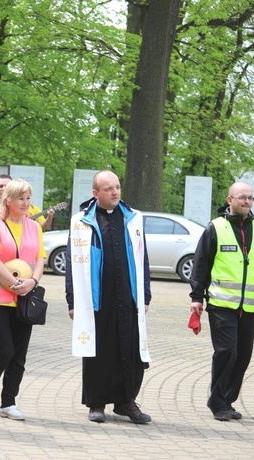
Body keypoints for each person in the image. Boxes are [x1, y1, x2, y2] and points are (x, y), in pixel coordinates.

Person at [189, 181, 254, 421]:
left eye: (250, 198)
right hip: (221, 305)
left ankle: (226, 401)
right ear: (229, 200)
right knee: (227, 352)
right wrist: (196, 297)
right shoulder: (215, 228)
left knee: (242, 356)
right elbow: (201, 266)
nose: (247, 202)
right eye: (242, 197)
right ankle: (217, 402)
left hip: (249, 307)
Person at [65, 170, 151, 425]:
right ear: (95, 193)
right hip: (96, 298)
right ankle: (96, 403)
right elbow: (72, 263)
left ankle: (126, 401)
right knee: (98, 349)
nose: (115, 192)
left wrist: (145, 294)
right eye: (108, 189)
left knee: (130, 349)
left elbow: (142, 257)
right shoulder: (81, 221)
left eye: (117, 187)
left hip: (128, 295)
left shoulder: (133, 219)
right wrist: (72, 300)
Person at [0, 179, 45, 421]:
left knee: (19, 355)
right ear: (8, 201)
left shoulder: (34, 227)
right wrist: (13, 283)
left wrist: (32, 283)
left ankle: (9, 402)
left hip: (24, 299)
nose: (26, 203)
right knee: (3, 349)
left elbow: (39, 260)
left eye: (28, 198)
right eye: (21, 199)